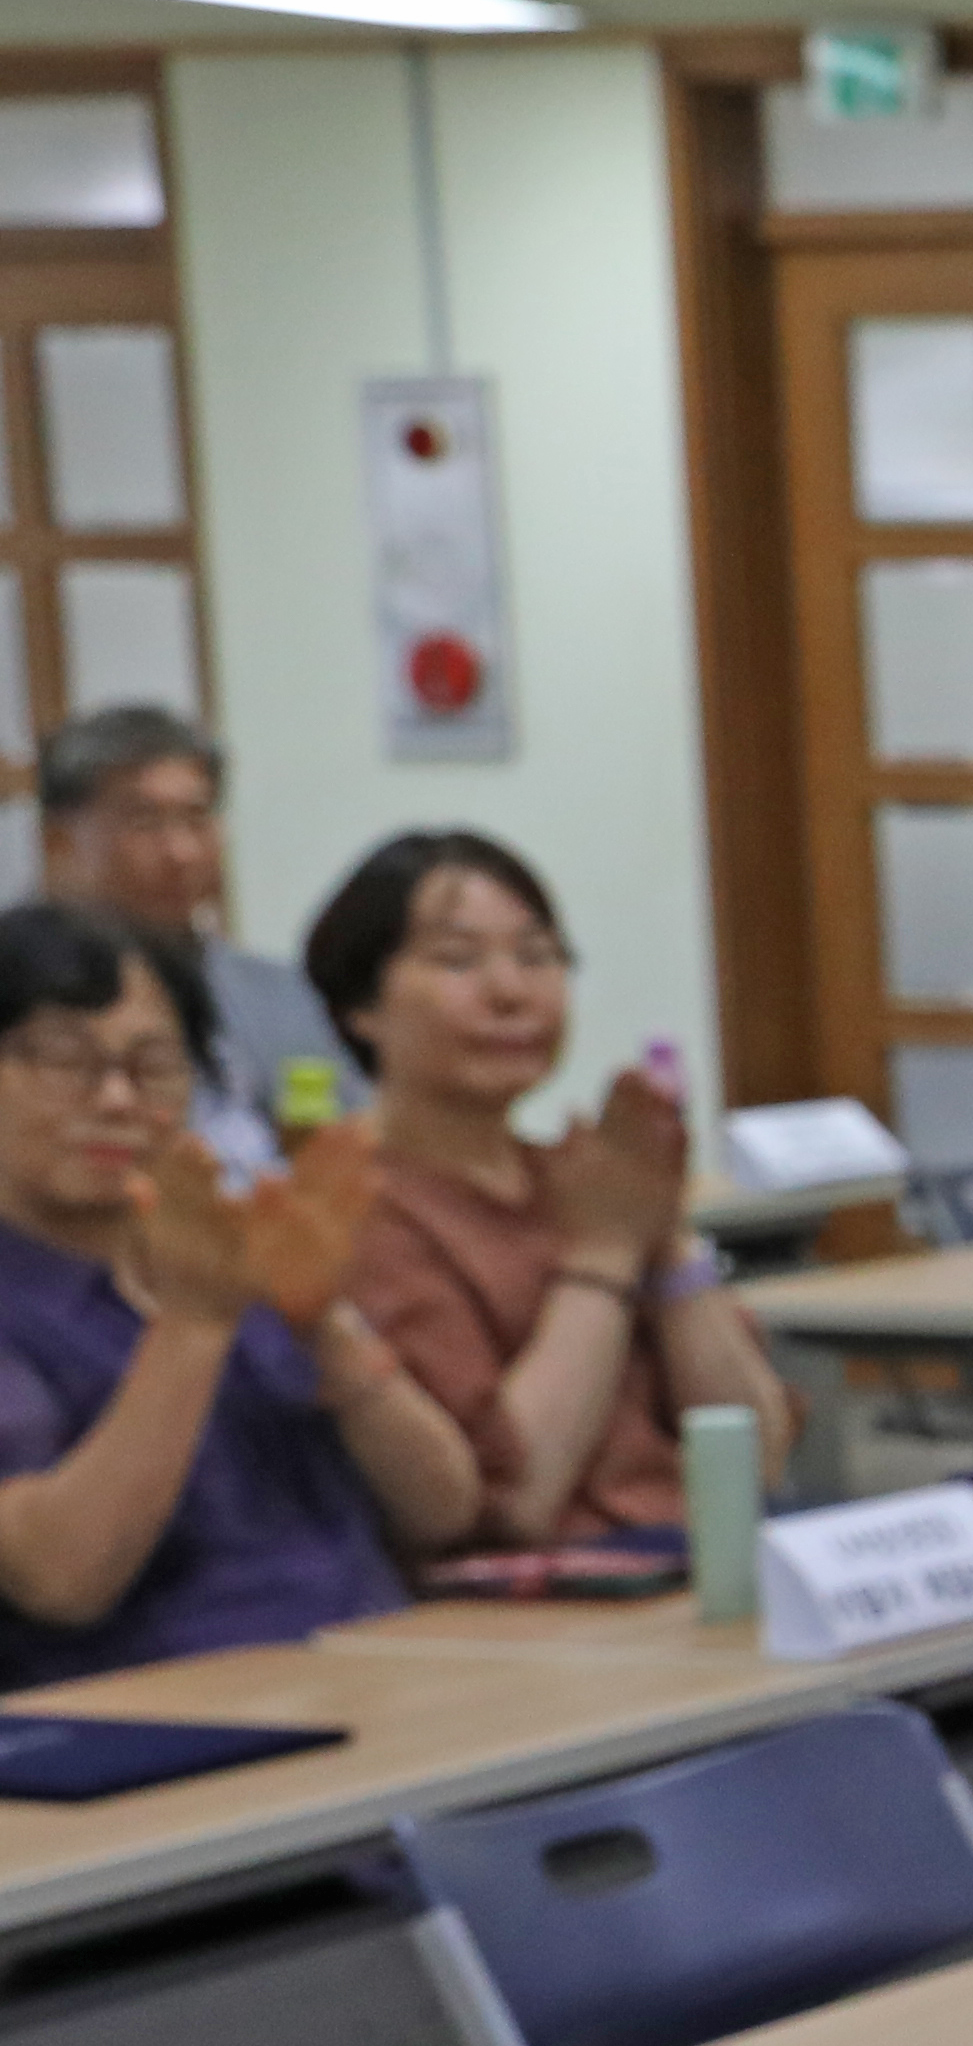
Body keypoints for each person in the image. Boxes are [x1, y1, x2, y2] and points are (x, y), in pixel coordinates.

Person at [0, 906, 479, 1679]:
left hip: (373, 1666)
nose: (119, 1100)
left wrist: (322, 1322)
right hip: (163, 1722)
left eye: (154, 1066)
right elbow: (62, 1578)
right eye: (65, 1063)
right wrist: (192, 1327)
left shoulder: (223, 1251)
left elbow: (443, 1508)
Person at [309, 831, 791, 1546]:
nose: (511, 993)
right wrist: (604, 1254)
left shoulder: (580, 1181)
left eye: (537, 957)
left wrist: (662, 1230)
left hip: (691, 1555)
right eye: (458, 961)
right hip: (536, 1604)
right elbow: (511, 1503)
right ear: (361, 1005)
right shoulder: (353, 1209)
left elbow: (759, 1460)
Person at [34, 710, 343, 1171]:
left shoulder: (288, 995)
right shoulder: (24, 1003)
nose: (181, 851)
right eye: (144, 821)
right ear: (60, 840)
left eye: (197, 818)